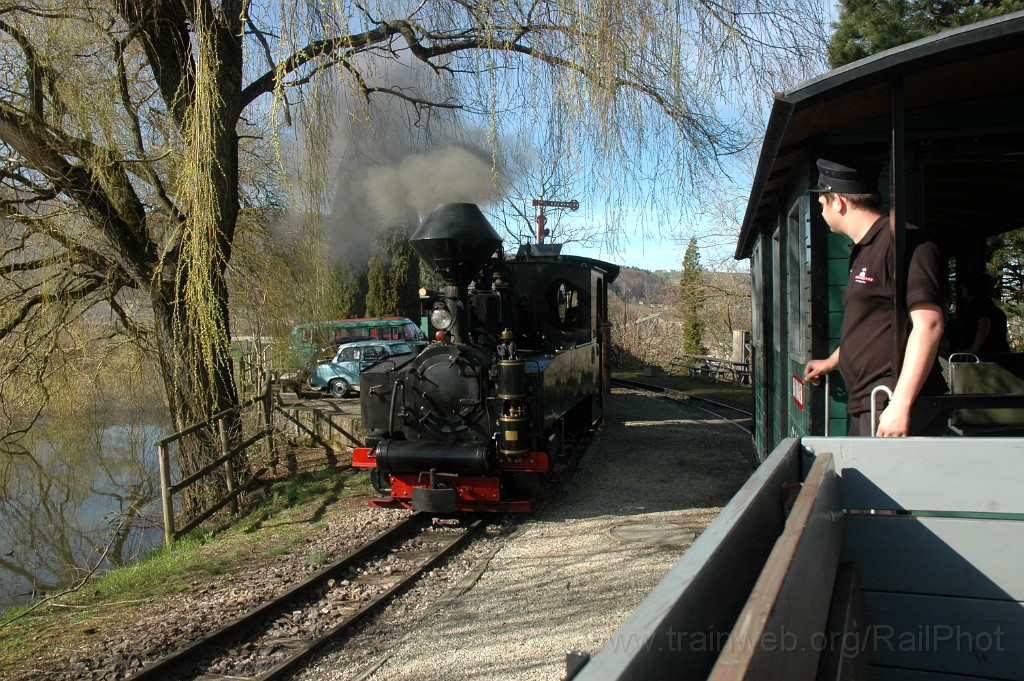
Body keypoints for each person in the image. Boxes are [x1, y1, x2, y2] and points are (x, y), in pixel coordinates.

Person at [803, 158, 947, 437]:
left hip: (889, 404)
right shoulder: (865, 249)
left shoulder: (905, 244)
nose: (821, 212)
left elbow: (929, 324)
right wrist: (832, 361)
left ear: (839, 202)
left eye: (822, 204)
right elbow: (874, 324)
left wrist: (900, 405)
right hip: (869, 403)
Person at [957, 271, 1010, 354]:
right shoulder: (992, 307)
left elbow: (984, 323)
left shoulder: (976, 303)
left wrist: (974, 349)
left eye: (964, 286)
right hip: (1000, 352)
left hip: (986, 354)